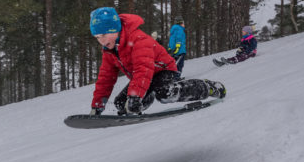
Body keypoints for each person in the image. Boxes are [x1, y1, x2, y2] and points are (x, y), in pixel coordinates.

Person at [89, 7, 226, 116]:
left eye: (103, 36)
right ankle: (138, 105)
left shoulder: (138, 39)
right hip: (144, 76)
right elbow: (106, 77)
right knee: (120, 103)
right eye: (97, 37)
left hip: (163, 69)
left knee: (164, 93)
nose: (101, 41)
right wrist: (97, 105)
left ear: (115, 30)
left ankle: (207, 87)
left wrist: (135, 97)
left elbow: (143, 69)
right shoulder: (109, 50)